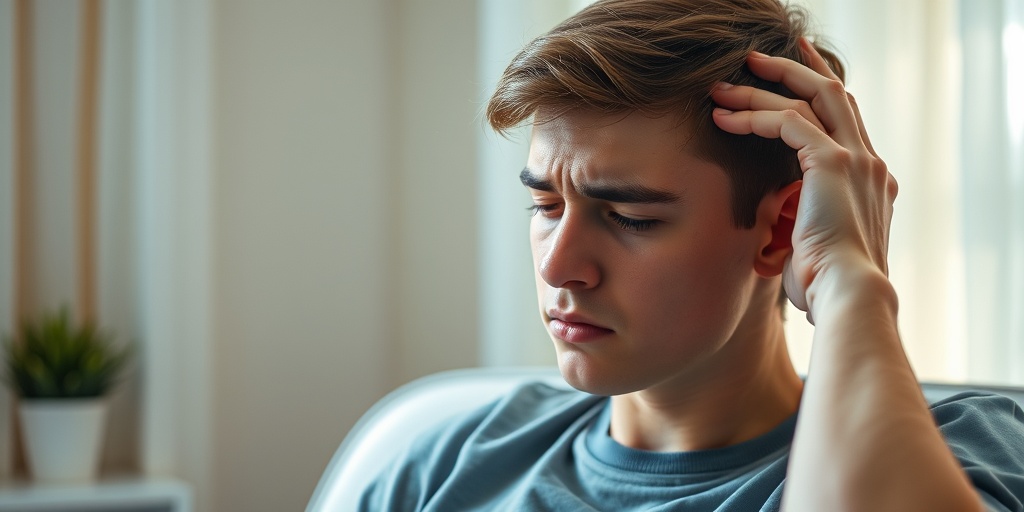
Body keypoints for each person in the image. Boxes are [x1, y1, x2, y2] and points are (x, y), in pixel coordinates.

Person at [360, 0, 1024, 510]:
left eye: (630, 217)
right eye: (546, 207)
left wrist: (848, 281)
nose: (558, 267)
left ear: (780, 229)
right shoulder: (444, 465)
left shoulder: (972, 453)